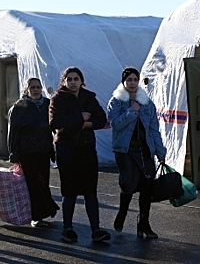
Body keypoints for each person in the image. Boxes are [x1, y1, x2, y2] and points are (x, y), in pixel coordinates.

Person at [49, 66, 111, 243]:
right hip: (67, 149)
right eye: (69, 79)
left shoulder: (88, 97)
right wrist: (79, 117)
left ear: (81, 80)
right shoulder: (58, 99)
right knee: (69, 191)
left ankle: (96, 229)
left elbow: (101, 119)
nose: (73, 82)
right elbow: (54, 122)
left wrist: (87, 124)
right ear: (64, 81)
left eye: (76, 79)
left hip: (86, 148)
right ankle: (67, 228)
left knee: (90, 191)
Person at [107, 67, 166, 239]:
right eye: (129, 80)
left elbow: (154, 128)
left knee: (147, 187)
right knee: (128, 185)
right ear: (124, 82)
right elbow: (116, 124)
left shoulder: (146, 102)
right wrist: (132, 111)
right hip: (125, 150)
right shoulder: (116, 101)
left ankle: (144, 224)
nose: (132, 83)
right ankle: (122, 212)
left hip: (144, 149)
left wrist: (160, 151)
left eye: (135, 80)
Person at [8, 77, 60, 227]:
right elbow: (13, 132)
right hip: (27, 151)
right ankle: (36, 216)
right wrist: (13, 152)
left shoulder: (47, 105)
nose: (36, 90)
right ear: (27, 90)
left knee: (43, 182)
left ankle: (42, 212)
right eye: (33, 88)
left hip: (43, 150)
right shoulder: (20, 107)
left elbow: (52, 127)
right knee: (33, 184)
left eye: (38, 87)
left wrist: (53, 149)